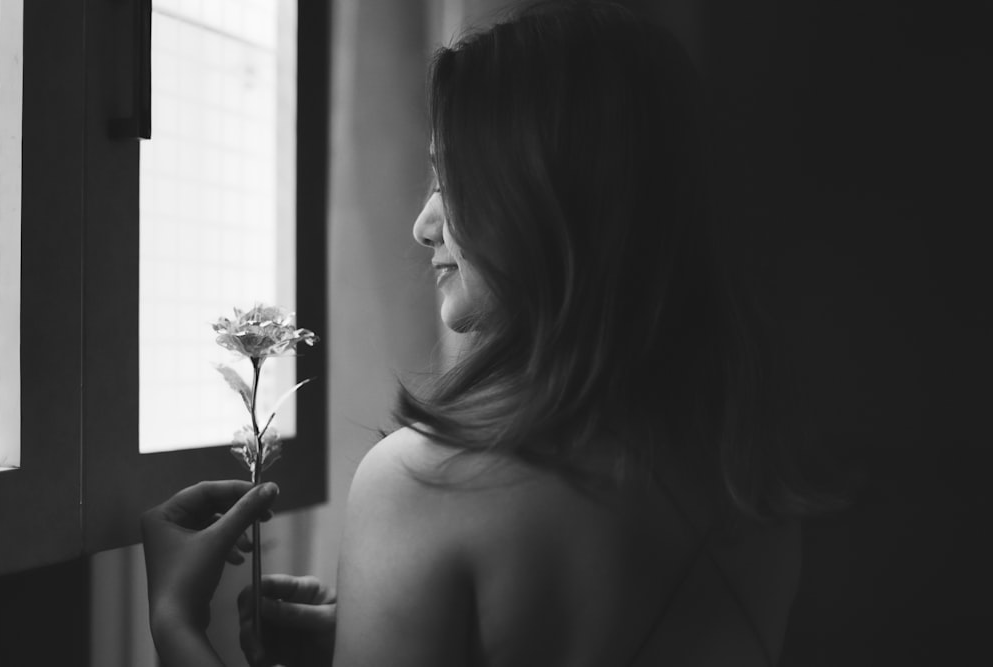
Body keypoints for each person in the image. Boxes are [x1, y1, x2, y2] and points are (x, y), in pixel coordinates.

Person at [142, 2, 836, 665]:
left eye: (451, 180)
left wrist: (176, 623)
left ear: (546, 196)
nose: (423, 224)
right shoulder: (754, 477)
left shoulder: (425, 486)